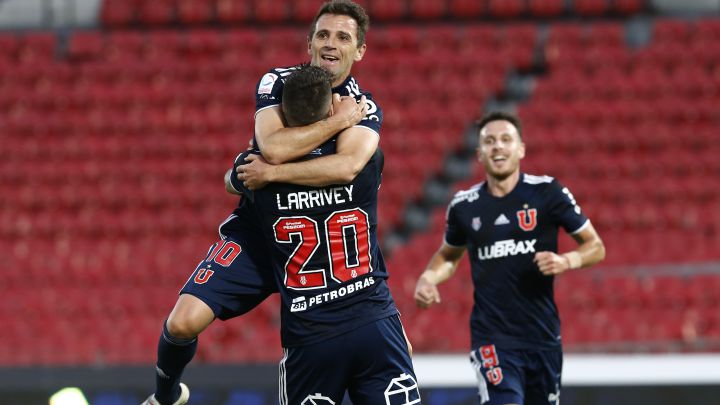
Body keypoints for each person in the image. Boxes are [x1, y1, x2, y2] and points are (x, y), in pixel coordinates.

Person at [143, 2, 384, 404]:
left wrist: (263, 170)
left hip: (325, 243)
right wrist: (338, 122)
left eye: (343, 37)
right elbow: (271, 146)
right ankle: (165, 396)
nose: (330, 44)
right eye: (323, 35)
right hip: (262, 230)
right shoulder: (279, 81)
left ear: (359, 51)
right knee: (182, 322)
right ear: (309, 42)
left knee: (380, 339)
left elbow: (347, 166)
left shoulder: (366, 105)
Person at [232, 65, 419, 405]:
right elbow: (347, 164)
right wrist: (341, 123)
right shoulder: (367, 167)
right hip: (374, 323)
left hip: (311, 334)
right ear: (331, 110)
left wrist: (263, 162)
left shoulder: (259, 181)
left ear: (283, 116)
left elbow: (232, 181)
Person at [413, 111, 605, 405]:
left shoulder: (547, 193)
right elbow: (449, 256)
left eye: (505, 140)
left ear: (521, 149)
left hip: (543, 338)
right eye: (489, 141)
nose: (498, 147)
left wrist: (567, 261)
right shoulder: (465, 206)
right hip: (493, 337)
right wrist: (429, 278)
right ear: (479, 154)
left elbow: (595, 246)